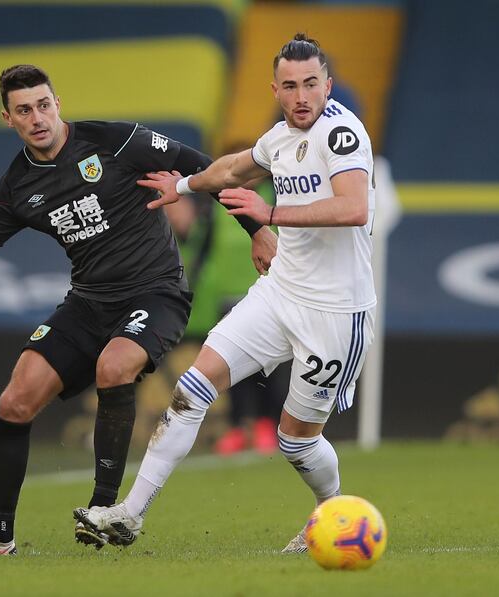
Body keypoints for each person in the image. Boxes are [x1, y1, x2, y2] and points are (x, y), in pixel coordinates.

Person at [0, 64, 277, 556]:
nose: (38, 117)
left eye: (44, 105)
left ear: (57, 104)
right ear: (8, 119)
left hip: (155, 293)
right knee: (15, 401)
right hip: (88, 302)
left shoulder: (115, 142)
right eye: (25, 110)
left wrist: (255, 229)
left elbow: (207, 166)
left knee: (113, 367)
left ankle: (102, 510)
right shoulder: (14, 190)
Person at [74, 33, 377, 554]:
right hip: (280, 291)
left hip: (336, 311)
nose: (301, 95)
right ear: (276, 90)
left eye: (311, 83)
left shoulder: (343, 134)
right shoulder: (280, 138)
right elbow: (234, 168)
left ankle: (330, 510)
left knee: (296, 440)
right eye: (290, 85)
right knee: (192, 389)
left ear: (327, 84)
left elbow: (354, 208)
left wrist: (270, 215)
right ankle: (130, 513)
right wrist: (186, 187)